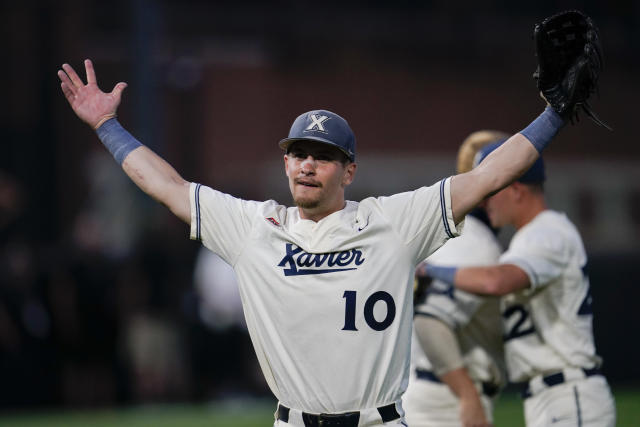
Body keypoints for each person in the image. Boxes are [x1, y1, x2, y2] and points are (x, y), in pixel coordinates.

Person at [58, 58, 565, 427]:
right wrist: (107, 126)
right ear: (285, 163)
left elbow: (489, 174)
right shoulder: (253, 226)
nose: (306, 164)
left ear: (349, 171)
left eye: (322, 156)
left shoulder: (393, 221)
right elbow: (165, 185)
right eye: (298, 153)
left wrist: (557, 112)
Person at [424, 142, 616, 426]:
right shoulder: (528, 238)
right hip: (550, 396)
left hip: (569, 392)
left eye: (492, 189)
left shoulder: (549, 231)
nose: (483, 200)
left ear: (515, 188)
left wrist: (432, 270)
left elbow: (496, 281)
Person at [403, 131, 508, 427]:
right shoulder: (471, 240)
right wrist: (467, 394)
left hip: (433, 394)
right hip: (443, 403)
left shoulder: (458, 234)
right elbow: (429, 317)